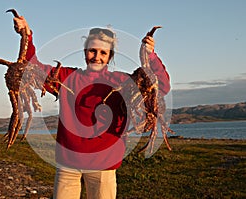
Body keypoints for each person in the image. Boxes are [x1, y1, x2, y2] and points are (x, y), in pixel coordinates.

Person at [14, 16, 170, 199]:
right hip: (68, 165)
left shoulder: (121, 82)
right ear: (85, 52)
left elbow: (162, 86)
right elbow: (32, 68)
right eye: (92, 51)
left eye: (103, 53)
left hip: (104, 166)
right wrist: (26, 34)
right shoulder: (66, 77)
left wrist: (150, 55)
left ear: (110, 56)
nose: (97, 57)